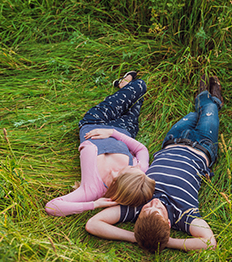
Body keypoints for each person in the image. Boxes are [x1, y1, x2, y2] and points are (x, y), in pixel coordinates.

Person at [85, 75, 223, 252]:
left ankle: (204, 99)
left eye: (146, 209)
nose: (153, 203)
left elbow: (93, 224)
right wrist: (168, 242)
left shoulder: (136, 207)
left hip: (172, 140)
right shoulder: (184, 217)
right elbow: (209, 243)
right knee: (209, 108)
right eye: (155, 209)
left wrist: (135, 238)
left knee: (193, 115)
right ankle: (212, 99)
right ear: (167, 222)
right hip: (203, 145)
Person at [45, 71, 156, 217]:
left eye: (131, 168)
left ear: (117, 179)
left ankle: (124, 86)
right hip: (123, 129)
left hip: (94, 122)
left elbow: (52, 206)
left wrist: (94, 204)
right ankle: (124, 86)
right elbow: (141, 149)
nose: (138, 166)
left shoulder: (92, 188)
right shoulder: (138, 175)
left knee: (136, 99)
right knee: (140, 88)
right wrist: (112, 133)